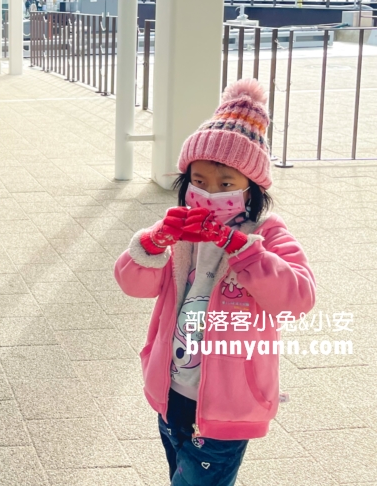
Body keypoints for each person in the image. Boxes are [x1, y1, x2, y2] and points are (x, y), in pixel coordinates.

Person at [114, 79, 315, 486]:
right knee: (178, 472)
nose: (209, 193)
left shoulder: (268, 233)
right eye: (199, 181)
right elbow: (133, 283)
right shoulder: (181, 230)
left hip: (230, 408)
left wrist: (244, 250)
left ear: (252, 188)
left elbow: (298, 298)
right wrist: (153, 243)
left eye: (226, 184)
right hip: (171, 394)